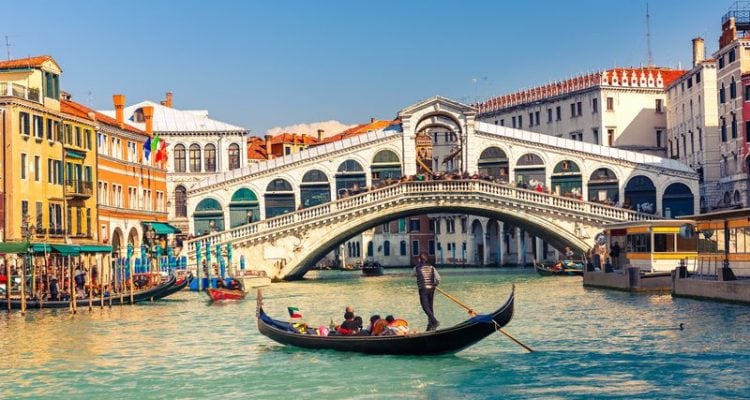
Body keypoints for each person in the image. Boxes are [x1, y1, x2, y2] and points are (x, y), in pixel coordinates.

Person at [415, 252, 440, 331]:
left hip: (423, 290)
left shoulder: (416, 268)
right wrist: (435, 285)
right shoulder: (432, 267)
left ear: (419, 259)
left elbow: (411, 274)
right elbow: (438, 279)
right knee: (430, 307)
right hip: (431, 289)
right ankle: (431, 325)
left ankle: (434, 321)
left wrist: (417, 275)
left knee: (425, 307)